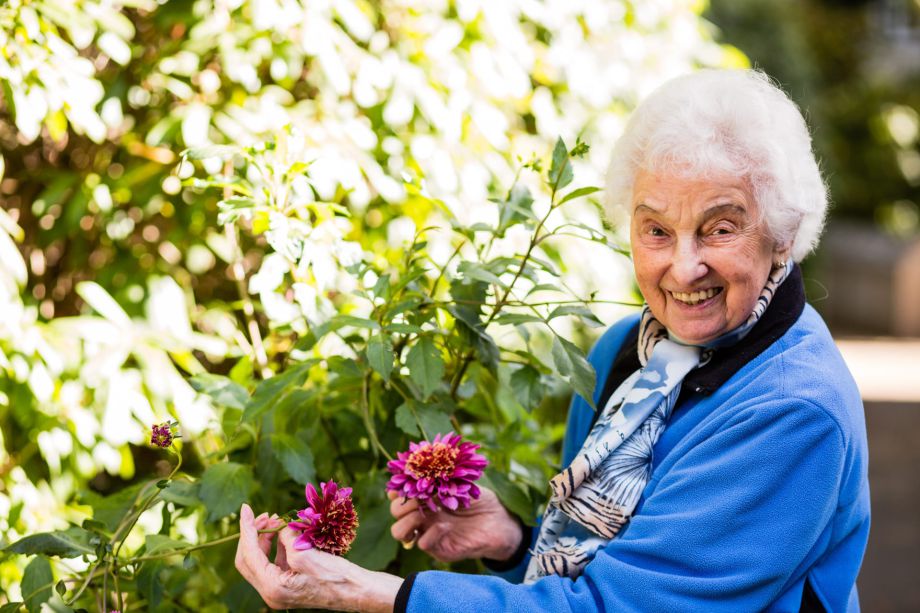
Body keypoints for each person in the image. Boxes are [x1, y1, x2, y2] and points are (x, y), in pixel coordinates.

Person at [235, 69, 870, 612]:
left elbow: (616, 607)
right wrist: (513, 542)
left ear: (782, 234)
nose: (683, 267)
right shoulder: (630, 351)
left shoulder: (791, 411)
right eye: (655, 230)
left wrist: (379, 594)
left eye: (720, 227)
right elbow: (600, 564)